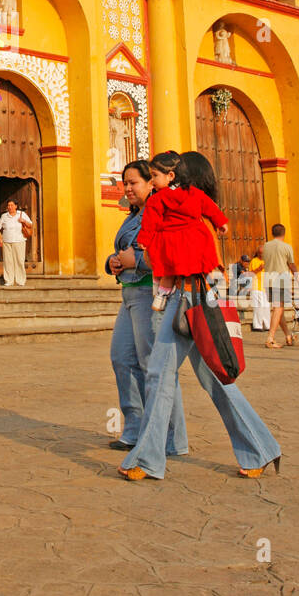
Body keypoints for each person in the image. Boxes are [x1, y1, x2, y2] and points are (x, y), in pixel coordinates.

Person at [118, 149, 281, 482]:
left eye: (160, 175)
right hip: (188, 294)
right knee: (209, 378)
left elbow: (171, 254)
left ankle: (149, 458)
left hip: (190, 295)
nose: (156, 182)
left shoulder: (189, 213)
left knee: (161, 375)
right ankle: (260, 447)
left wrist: (138, 258)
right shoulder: (186, 210)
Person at [106, 160, 188, 455]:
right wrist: (113, 262)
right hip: (129, 295)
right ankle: (134, 427)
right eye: (124, 183)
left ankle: (172, 439)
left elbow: (167, 253)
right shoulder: (133, 216)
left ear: (151, 183)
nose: (127, 188)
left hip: (150, 295)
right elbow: (121, 250)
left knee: (155, 368)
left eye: (134, 183)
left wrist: (135, 261)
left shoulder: (160, 212)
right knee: (122, 359)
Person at [139, 150, 228, 311]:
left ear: (172, 176)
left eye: (154, 175)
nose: (151, 181)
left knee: (166, 268)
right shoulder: (195, 196)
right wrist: (221, 222)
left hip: (183, 280)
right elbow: (210, 208)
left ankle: (160, 294)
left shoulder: (157, 199)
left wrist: (144, 241)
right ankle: (212, 281)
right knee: (205, 257)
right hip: (195, 238)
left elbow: (149, 223)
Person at [262, 223, 298, 348]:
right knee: (278, 308)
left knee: (278, 309)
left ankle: (288, 335)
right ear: (284, 233)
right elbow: (291, 264)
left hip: (268, 279)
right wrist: (298, 277)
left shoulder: (265, 246)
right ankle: (270, 338)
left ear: (272, 233)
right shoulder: (286, 247)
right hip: (280, 279)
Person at [0, 198, 33, 287]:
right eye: (8, 205)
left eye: (12, 205)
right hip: (6, 241)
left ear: (16, 206)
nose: (10, 207)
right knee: (8, 261)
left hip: (19, 240)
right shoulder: (4, 216)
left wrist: (23, 221)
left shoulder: (21, 214)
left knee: (19, 260)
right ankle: (9, 280)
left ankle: (20, 281)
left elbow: (30, 224)